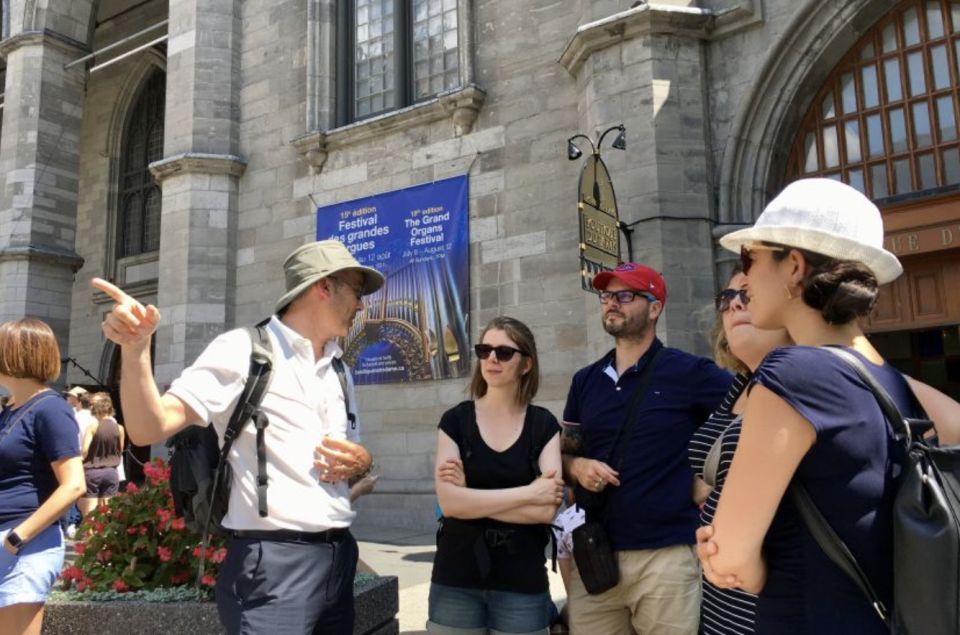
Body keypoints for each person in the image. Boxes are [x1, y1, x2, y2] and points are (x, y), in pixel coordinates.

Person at [697, 178, 957, 633]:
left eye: (749, 258)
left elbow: (730, 556)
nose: (745, 279)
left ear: (794, 265)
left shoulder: (792, 374)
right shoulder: (896, 385)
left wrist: (741, 563)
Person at [92, 239, 384, 635]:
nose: (362, 305)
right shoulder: (243, 351)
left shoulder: (339, 371)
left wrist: (362, 462)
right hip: (273, 563)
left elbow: (344, 462)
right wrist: (136, 348)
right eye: (357, 290)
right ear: (324, 287)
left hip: (338, 558)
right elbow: (149, 426)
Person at [561, 263, 733, 635]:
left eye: (625, 295)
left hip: (665, 557)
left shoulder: (690, 372)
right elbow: (563, 454)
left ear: (654, 307)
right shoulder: (585, 381)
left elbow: (754, 409)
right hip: (596, 557)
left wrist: (712, 476)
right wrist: (576, 467)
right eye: (607, 296)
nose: (612, 304)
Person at [430, 316, 564, 635]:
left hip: (522, 581)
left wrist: (471, 498)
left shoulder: (543, 425)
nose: (491, 358)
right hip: (456, 578)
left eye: (504, 352)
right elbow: (449, 504)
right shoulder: (455, 422)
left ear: (526, 364)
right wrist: (529, 493)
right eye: (484, 349)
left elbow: (547, 510)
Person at [688, 270, 791, 634]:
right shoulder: (740, 386)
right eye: (727, 296)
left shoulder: (801, 382)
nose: (734, 303)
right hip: (720, 603)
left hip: (771, 601)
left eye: (747, 293)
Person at [0, 319, 86, 635]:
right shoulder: (10, 409)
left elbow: (74, 483)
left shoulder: (51, 409)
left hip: (24, 544)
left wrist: (15, 539)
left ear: (16, 355)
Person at [78, 393, 125, 518]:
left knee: (90, 512)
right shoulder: (120, 428)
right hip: (111, 472)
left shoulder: (93, 427)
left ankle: (90, 535)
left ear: (97, 411)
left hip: (92, 472)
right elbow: (120, 450)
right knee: (107, 510)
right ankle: (103, 536)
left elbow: (84, 450)